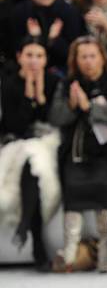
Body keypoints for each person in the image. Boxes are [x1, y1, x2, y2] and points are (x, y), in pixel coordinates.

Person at [48, 36, 107, 273]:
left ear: (102, 57)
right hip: (76, 152)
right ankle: (69, 252)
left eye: (93, 55)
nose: (88, 61)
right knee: (73, 195)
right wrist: (73, 105)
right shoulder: (67, 83)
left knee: (104, 195)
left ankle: (105, 250)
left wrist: (88, 106)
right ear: (75, 60)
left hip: (106, 153)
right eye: (83, 56)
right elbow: (56, 117)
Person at [0, 36, 61, 272]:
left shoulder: (55, 82)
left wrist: (41, 98)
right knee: (31, 163)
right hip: (16, 145)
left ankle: (28, 227)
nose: (34, 61)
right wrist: (28, 94)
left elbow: (54, 121)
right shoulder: (9, 83)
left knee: (35, 161)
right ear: (19, 57)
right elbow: (16, 126)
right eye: (29, 55)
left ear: (45, 59)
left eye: (39, 56)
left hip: (48, 143)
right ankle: (35, 238)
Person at [10, 0, 84, 72]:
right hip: (25, 70)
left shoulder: (69, 12)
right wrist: (33, 38)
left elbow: (73, 53)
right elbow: (13, 48)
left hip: (61, 69)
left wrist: (54, 40)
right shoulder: (19, 12)